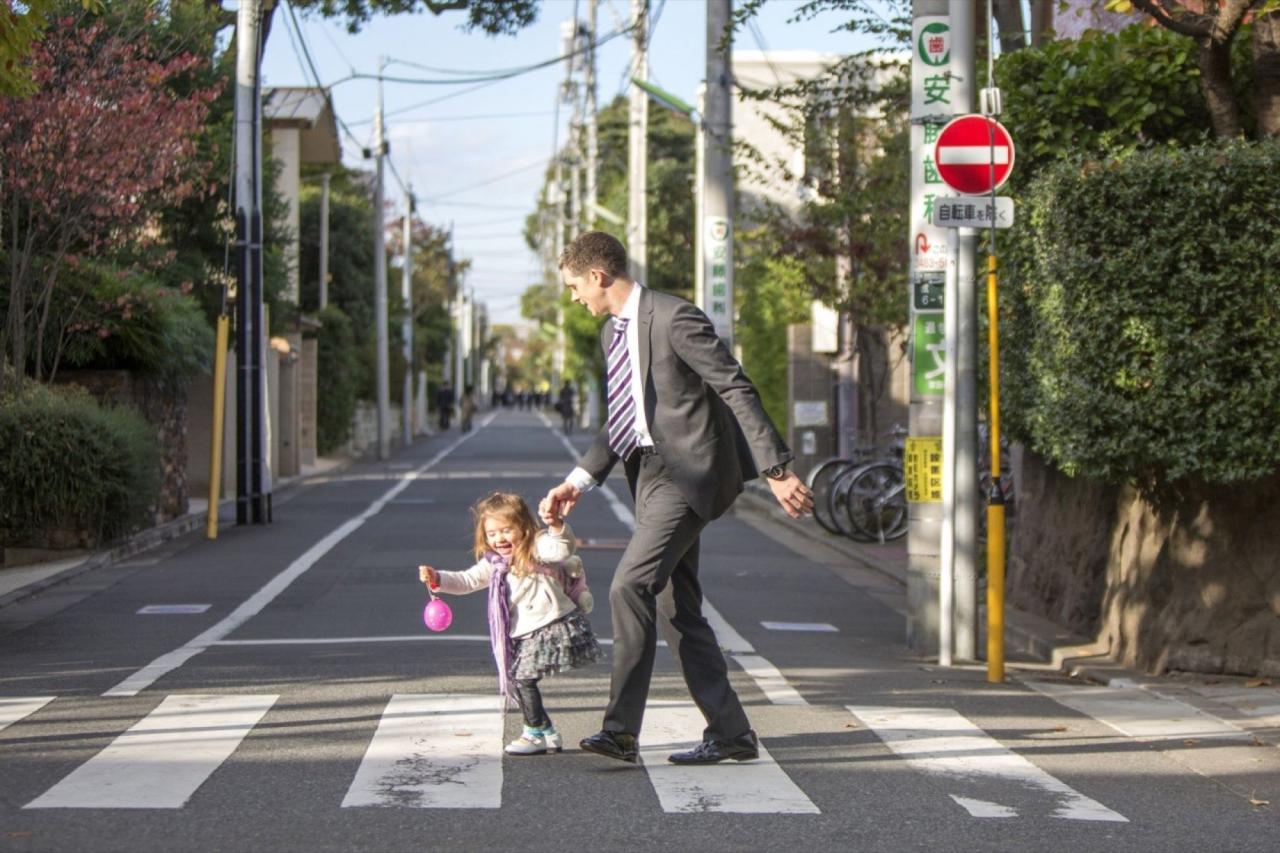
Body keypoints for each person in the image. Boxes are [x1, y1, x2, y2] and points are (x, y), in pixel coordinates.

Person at [541, 231, 814, 766]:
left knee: (629, 585)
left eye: (575, 287)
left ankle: (620, 730)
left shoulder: (674, 317)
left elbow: (735, 387)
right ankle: (731, 732)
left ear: (598, 276)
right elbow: (623, 420)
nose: (575, 297)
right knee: (676, 608)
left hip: (689, 475)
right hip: (648, 477)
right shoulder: (611, 334)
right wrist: (577, 480)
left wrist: (775, 469)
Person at [418, 491, 599, 756]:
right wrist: (438, 578)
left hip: (550, 624)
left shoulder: (537, 549)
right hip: (525, 631)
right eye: (492, 533)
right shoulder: (495, 563)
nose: (499, 538)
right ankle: (547, 731)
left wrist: (557, 525)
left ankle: (533, 733)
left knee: (523, 678)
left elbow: (561, 547)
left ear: (524, 528)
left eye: (506, 530)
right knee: (521, 679)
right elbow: (467, 580)